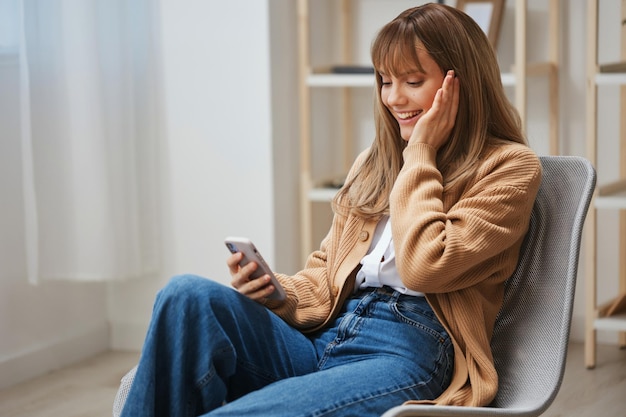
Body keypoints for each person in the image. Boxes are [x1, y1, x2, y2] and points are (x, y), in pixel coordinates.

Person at [119, 3, 541, 416]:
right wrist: (279, 293)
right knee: (184, 295)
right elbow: (326, 272)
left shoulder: (510, 168)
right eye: (385, 80)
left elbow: (424, 266)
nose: (393, 98)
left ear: (461, 83)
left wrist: (422, 152)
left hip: (407, 354)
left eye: (412, 81)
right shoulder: (374, 163)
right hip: (329, 336)